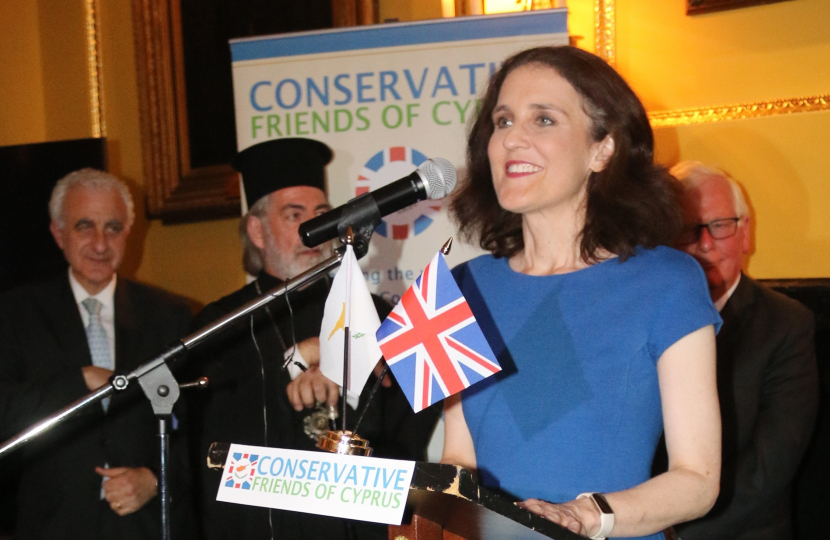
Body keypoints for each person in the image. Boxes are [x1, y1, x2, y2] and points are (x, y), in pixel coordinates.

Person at [441, 46, 722, 540]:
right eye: (502, 121)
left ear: (603, 149)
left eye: (543, 119)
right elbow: (459, 460)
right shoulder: (464, 286)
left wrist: (585, 515)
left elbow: (698, 480)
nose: (512, 139)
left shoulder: (666, 281)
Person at [188, 137, 440, 540]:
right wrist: (295, 362)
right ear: (256, 229)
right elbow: (211, 433)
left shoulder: (373, 312)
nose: (313, 230)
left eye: (322, 214)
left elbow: (415, 412)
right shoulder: (221, 324)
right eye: (294, 215)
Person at [0, 168, 193, 540]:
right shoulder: (15, 314)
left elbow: (195, 424)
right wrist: (81, 380)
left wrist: (155, 479)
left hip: (144, 527)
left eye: (114, 227)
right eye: (84, 226)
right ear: (58, 234)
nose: (101, 244)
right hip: (52, 527)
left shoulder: (169, 315)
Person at [668, 161, 818, 540]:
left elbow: (768, 468)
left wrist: (669, 530)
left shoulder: (787, 324)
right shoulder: (649, 319)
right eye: (687, 229)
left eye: (720, 226)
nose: (704, 244)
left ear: (745, 233)